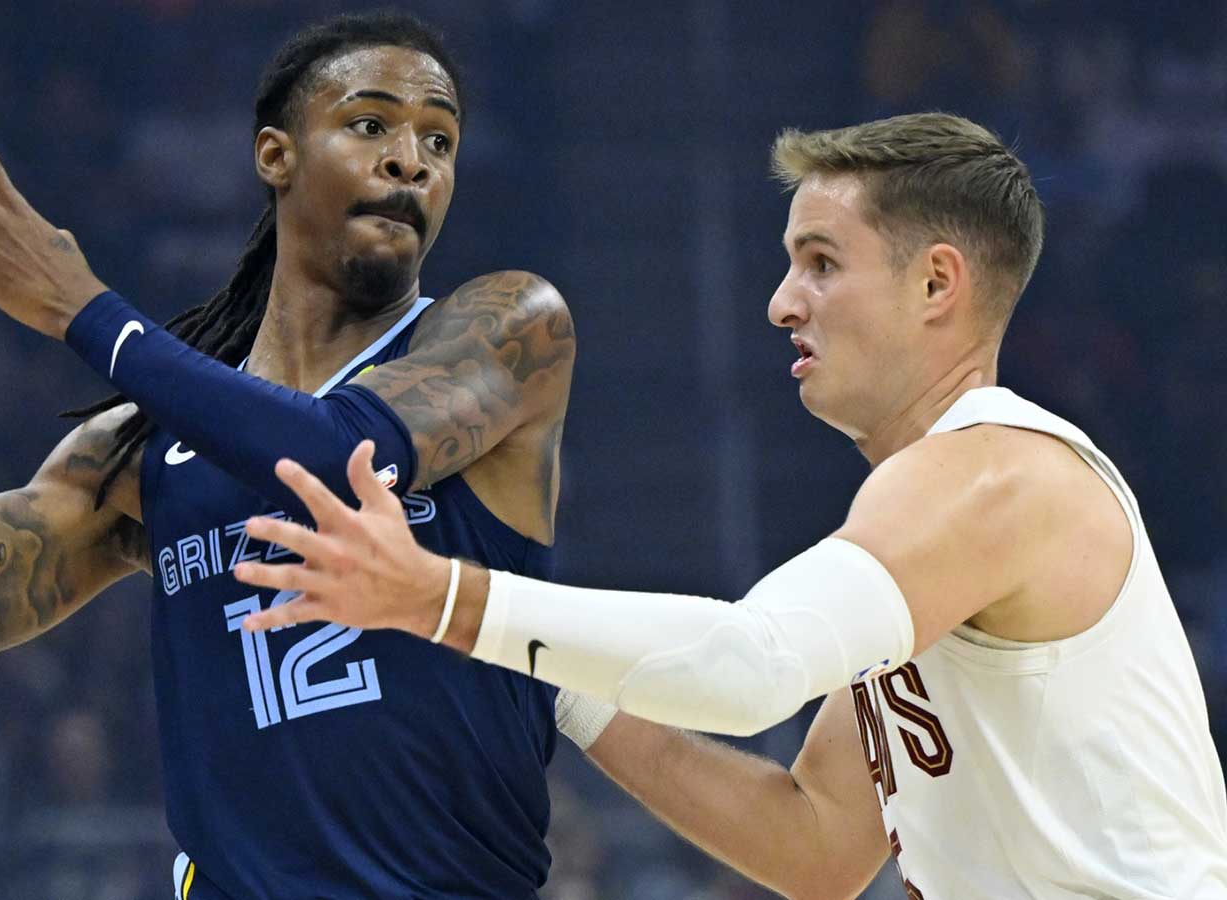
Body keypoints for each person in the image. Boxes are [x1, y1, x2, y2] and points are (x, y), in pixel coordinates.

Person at [0, 12, 586, 899]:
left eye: (440, 141)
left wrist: (85, 312)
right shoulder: (139, 458)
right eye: (372, 122)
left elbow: (345, 452)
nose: (410, 159)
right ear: (276, 155)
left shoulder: (507, 330)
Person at [228, 112, 1227, 898]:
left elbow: (749, 669)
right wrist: (540, 678)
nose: (780, 302)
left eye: (822, 264)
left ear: (936, 283)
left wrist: (442, 596)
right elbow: (816, 847)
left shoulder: (994, 476)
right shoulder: (928, 522)